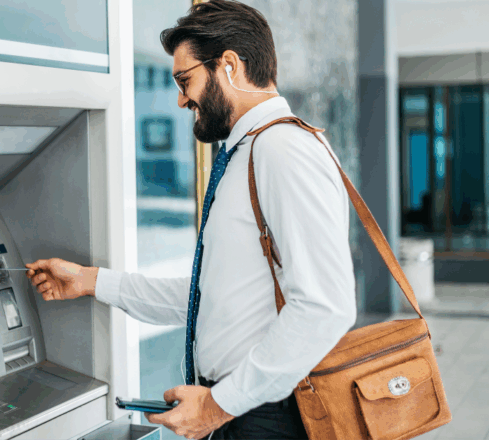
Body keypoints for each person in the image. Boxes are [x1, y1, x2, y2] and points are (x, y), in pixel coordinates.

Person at [26, 1, 356, 439]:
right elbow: (211, 297)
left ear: (230, 66)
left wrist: (219, 406)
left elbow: (325, 307)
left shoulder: (282, 150)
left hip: (264, 416)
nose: (181, 99)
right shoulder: (247, 153)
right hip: (245, 412)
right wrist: (90, 281)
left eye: (185, 80)